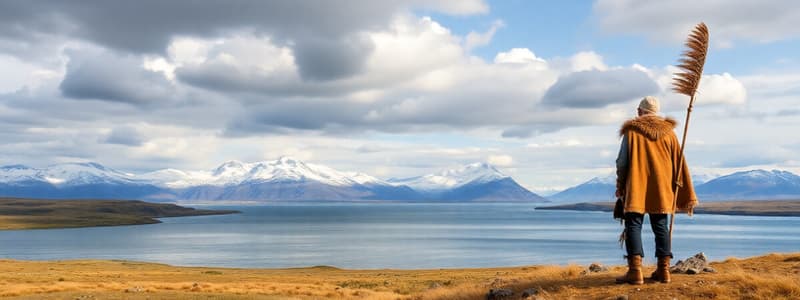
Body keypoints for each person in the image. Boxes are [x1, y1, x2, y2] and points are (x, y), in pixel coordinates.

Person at [615, 96, 697, 285]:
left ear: (640, 111)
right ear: (657, 113)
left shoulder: (632, 131)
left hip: (636, 186)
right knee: (660, 226)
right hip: (661, 188)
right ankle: (664, 271)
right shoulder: (669, 134)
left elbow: (622, 162)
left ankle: (635, 272)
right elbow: (679, 162)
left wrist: (620, 184)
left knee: (633, 225)